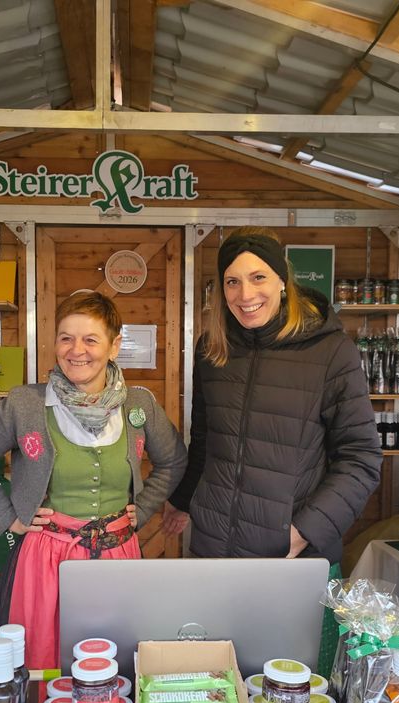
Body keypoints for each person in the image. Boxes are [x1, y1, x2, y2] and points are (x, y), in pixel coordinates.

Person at [163, 227, 382, 669]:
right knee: (216, 685)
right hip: (214, 553)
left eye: (258, 277)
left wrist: (303, 531)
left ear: (284, 281)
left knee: (291, 694)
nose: (245, 293)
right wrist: (183, 500)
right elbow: (207, 439)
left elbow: (361, 458)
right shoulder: (213, 350)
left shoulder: (331, 350)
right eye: (232, 281)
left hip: (291, 558)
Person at [0, 291, 187, 673]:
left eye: (90, 339)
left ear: (114, 346)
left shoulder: (139, 405)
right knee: (45, 657)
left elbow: (173, 460)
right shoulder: (25, 404)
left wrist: (142, 510)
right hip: (46, 558)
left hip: (118, 554)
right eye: (66, 337)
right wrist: (11, 517)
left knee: (115, 658)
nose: (76, 350)